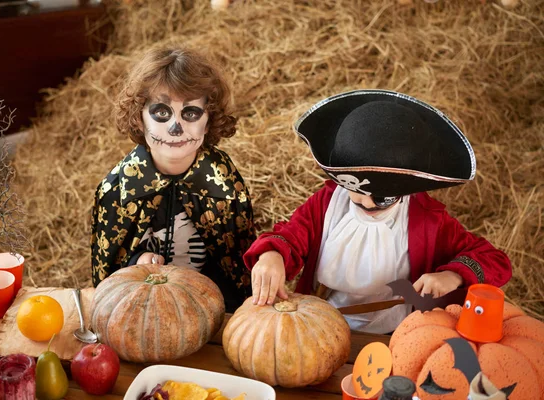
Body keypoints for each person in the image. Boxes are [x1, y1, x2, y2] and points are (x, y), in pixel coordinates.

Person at [243, 90, 512, 334]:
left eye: (382, 200)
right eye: (357, 200)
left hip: (395, 334)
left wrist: (451, 275)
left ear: (405, 190)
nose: (368, 207)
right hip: (320, 326)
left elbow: (494, 260)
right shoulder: (326, 204)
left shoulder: (428, 221)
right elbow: (290, 236)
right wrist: (272, 255)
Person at [91, 47, 256, 312]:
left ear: (209, 119)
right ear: (139, 116)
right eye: (161, 112)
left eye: (190, 113)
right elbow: (109, 272)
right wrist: (138, 260)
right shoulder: (118, 189)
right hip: (141, 308)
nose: (175, 128)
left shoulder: (223, 181)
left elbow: (236, 262)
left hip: (209, 305)